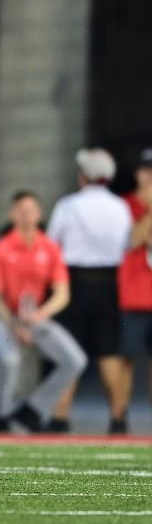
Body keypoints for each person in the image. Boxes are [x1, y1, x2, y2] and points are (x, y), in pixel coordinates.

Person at [0, 191, 87, 433]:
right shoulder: (1, 249)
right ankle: (2, 416)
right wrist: (15, 324)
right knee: (10, 361)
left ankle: (32, 410)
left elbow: (62, 294)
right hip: (5, 316)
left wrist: (40, 315)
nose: (26, 215)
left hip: (35, 316)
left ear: (39, 213)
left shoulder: (50, 248)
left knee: (75, 360)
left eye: (31, 210)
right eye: (21, 210)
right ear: (12, 214)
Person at [47, 148, 132, 433]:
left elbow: (52, 245)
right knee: (109, 352)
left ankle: (60, 417)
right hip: (109, 284)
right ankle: (118, 418)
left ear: (84, 176)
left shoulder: (68, 205)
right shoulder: (120, 207)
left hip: (74, 283)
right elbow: (126, 246)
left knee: (70, 352)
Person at [117, 148, 152, 422]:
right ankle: (119, 419)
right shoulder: (123, 205)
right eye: (148, 171)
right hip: (133, 295)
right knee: (125, 361)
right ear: (139, 174)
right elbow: (132, 240)